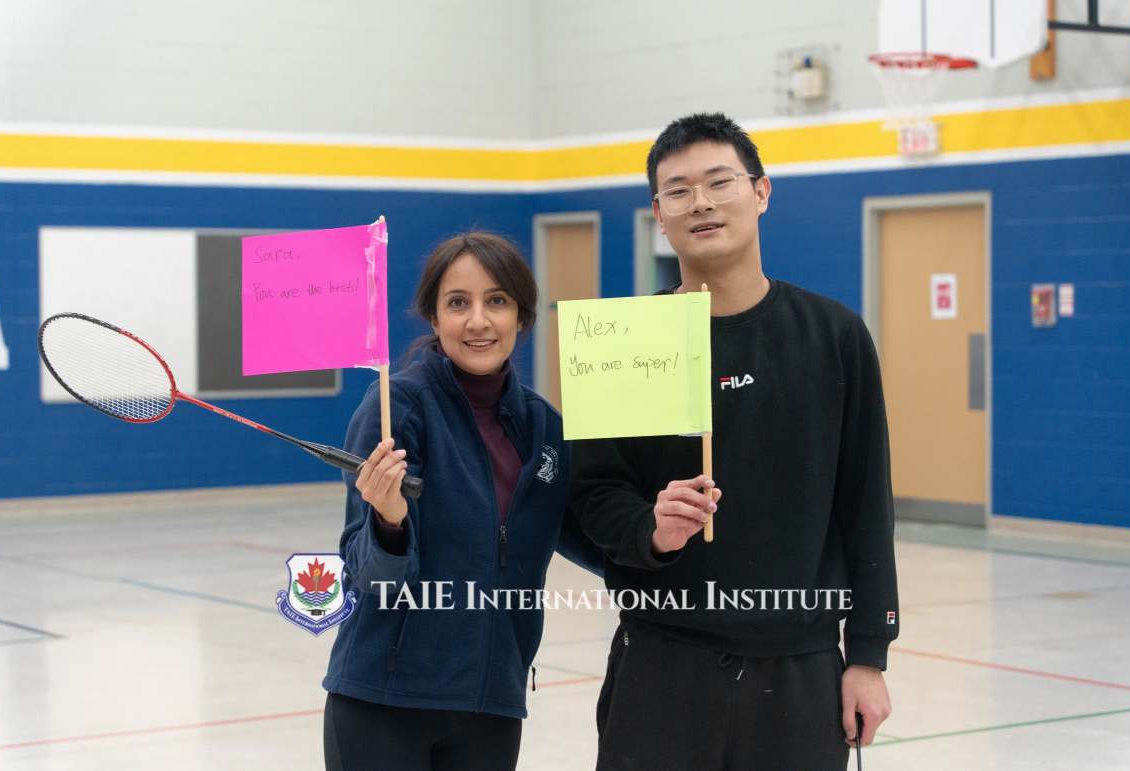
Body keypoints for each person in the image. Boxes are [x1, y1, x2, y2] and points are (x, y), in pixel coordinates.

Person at [571, 113, 899, 770]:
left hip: (798, 665)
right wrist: (650, 528)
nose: (701, 202)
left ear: (760, 192)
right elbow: (591, 494)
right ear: (657, 214)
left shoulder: (832, 334)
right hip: (661, 662)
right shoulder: (625, 342)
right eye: (678, 189)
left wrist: (867, 654)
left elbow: (865, 503)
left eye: (719, 181)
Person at [322, 231, 602, 771]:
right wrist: (390, 523)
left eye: (496, 301)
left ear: (522, 316)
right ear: (434, 318)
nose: (478, 321)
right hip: (385, 699)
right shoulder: (396, 410)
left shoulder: (544, 426)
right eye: (458, 303)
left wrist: (656, 533)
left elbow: (584, 536)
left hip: (491, 702)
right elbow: (368, 577)